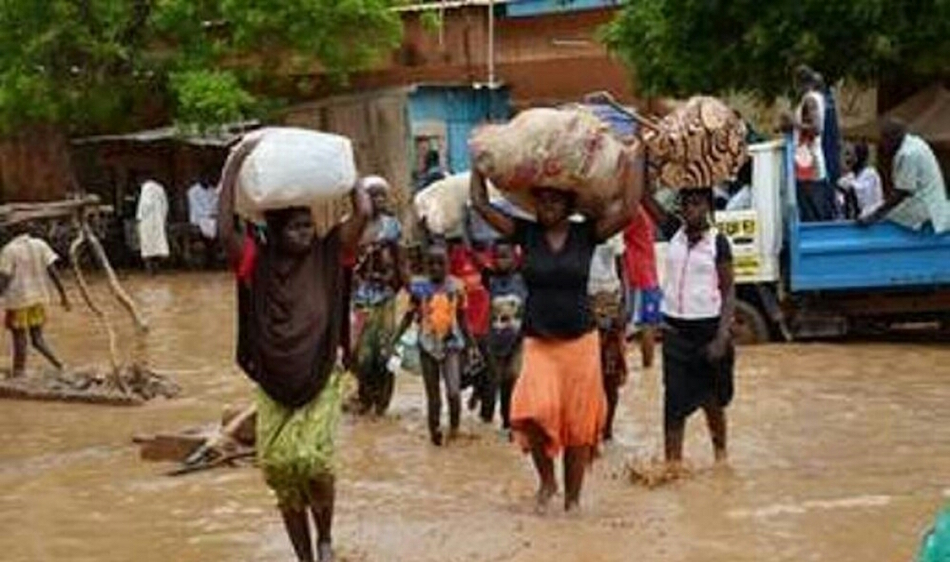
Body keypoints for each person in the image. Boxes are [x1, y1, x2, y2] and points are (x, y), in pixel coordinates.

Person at [218, 136, 371, 562]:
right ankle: (304, 556)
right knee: (279, 469)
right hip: (273, 377)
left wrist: (349, 167)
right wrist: (234, 167)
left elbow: (363, 212)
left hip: (320, 372)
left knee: (314, 462)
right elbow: (225, 230)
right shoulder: (257, 262)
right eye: (297, 227)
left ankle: (324, 538)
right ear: (277, 231)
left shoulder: (330, 254)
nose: (307, 233)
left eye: (309, 225)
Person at [469, 147, 641, 513]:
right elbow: (481, 206)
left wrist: (634, 161)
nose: (547, 204)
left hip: (580, 342)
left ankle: (573, 501)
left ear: (568, 203)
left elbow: (627, 211)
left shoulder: (586, 234)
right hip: (539, 342)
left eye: (554, 198)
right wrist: (478, 166)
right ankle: (547, 482)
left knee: (578, 428)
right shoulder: (524, 234)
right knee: (530, 412)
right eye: (542, 198)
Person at [641, 184, 736, 471]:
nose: (690, 210)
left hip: (707, 332)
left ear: (708, 206)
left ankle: (721, 457)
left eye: (696, 204)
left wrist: (721, 337)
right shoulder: (673, 232)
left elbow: (729, 290)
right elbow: (643, 198)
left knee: (711, 400)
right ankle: (673, 465)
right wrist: (639, 155)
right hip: (675, 332)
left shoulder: (719, 243)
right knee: (674, 402)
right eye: (685, 204)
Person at [394, 244, 469, 446]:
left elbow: (462, 318)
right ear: (425, 266)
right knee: (433, 395)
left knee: (453, 392)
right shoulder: (419, 289)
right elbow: (409, 315)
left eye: (440, 263)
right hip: (426, 345)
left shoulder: (457, 287)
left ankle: (454, 430)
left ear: (448, 264)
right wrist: (395, 340)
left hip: (452, 344)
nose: (436, 268)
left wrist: (471, 346)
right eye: (431, 264)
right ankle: (434, 434)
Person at [352, 176, 404, 416]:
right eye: (374, 195)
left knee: (384, 354)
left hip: (385, 297)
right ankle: (364, 396)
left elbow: (401, 263)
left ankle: (382, 404)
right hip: (358, 300)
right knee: (360, 356)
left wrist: (412, 292)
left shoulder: (392, 226)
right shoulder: (352, 225)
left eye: (383, 194)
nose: (380, 199)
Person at [0, 225, 70, 377]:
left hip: (17, 301)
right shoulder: (40, 244)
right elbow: (53, 272)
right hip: (38, 298)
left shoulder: (9, 250)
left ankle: (19, 372)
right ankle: (60, 365)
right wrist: (63, 294)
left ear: (9, 232)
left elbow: (5, 279)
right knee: (37, 339)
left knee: (19, 339)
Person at [860, 119, 950, 233]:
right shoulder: (915, 142)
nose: (882, 143)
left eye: (885, 138)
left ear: (894, 138)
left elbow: (902, 192)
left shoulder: (908, 154)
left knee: (869, 211)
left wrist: (874, 216)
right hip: (931, 202)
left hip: (924, 207)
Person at [479, 241, 527, 433]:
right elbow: (476, 261)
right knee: (493, 382)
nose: (502, 261)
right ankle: (485, 419)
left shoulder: (522, 279)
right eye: (498, 257)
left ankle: (509, 424)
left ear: (515, 258)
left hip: (518, 340)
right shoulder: (490, 280)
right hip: (494, 342)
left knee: (512, 379)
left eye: (506, 256)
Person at [587, 232, 627, 442]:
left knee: (611, 376)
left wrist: (624, 309)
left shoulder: (615, 230)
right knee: (586, 377)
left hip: (612, 305)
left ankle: (607, 430)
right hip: (585, 307)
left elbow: (623, 270)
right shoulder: (575, 226)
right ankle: (590, 429)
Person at [785, 69, 837, 222]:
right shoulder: (815, 98)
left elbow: (817, 128)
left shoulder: (810, 100)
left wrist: (793, 124)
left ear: (798, 82)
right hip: (806, 159)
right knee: (810, 210)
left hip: (809, 162)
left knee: (811, 212)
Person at [624, 206, 661, 369]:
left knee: (642, 324)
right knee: (649, 323)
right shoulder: (643, 213)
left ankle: (646, 367)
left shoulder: (633, 212)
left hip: (638, 275)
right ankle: (648, 368)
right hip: (648, 274)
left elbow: (612, 233)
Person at [838, 142, 883, 220]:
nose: (846, 159)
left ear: (858, 157)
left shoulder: (870, 173)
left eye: (849, 154)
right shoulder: (851, 176)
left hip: (871, 221)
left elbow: (858, 190)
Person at [136, 179, 170, 273]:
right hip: (159, 220)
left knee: (147, 245)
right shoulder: (160, 188)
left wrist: (139, 217)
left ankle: (149, 269)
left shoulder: (146, 188)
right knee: (157, 245)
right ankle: (157, 267)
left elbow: (145, 205)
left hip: (147, 221)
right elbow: (165, 205)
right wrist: (163, 218)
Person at [187, 176, 220, 266]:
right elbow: (196, 207)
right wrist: (208, 213)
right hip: (198, 219)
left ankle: (213, 257)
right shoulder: (193, 191)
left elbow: (215, 204)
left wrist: (214, 213)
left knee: (216, 229)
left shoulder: (213, 191)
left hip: (212, 218)